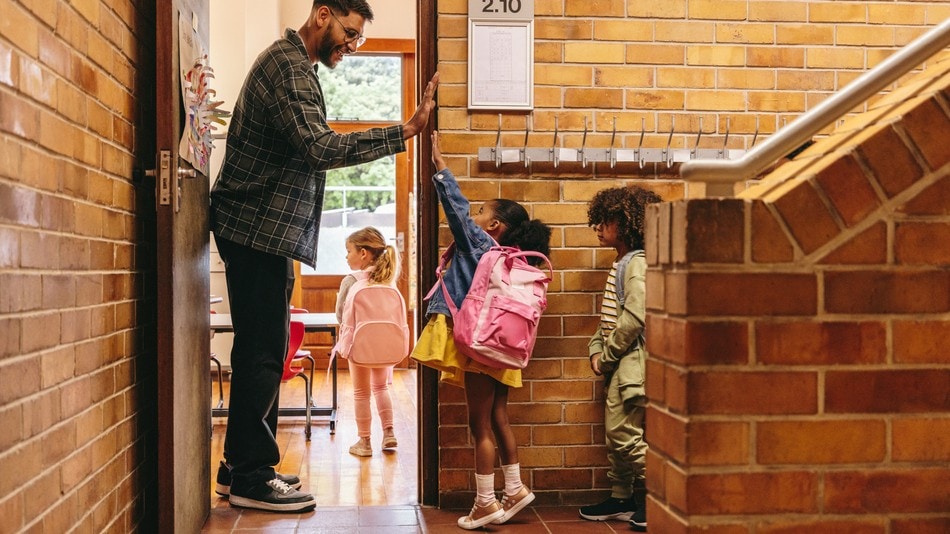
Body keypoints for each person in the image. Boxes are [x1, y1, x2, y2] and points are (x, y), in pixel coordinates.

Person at [209, 0, 439, 513]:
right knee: (264, 351)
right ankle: (250, 475)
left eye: (357, 39)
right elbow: (320, 148)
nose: (350, 46)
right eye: (349, 33)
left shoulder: (296, 66)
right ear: (322, 14)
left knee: (262, 349)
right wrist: (402, 131)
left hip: (264, 232)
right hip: (254, 229)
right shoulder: (289, 67)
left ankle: (238, 466)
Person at [412, 131, 552, 530]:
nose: (471, 219)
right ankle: (515, 488)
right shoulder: (518, 261)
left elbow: (455, 209)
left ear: (494, 225)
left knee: (479, 425)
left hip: (481, 344)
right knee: (499, 417)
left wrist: (439, 165)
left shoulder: (483, 246)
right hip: (506, 346)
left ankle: (485, 503)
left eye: (480, 215)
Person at [578, 185, 662, 532]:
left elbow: (636, 315)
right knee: (616, 434)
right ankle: (622, 496)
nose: (598, 227)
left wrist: (609, 356)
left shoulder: (637, 262)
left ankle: (664, 496)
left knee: (622, 433)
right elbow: (608, 320)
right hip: (618, 358)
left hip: (631, 360)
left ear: (628, 223)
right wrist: (596, 349)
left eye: (606, 221)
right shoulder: (623, 262)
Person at [333, 227, 401, 457]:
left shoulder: (351, 280)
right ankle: (389, 432)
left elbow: (340, 315)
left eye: (349, 250)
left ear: (363, 253)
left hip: (359, 345)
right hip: (385, 345)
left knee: (361, 393)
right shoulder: (388, 280)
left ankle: (365, 442)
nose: (346, 256)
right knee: (381, 387)